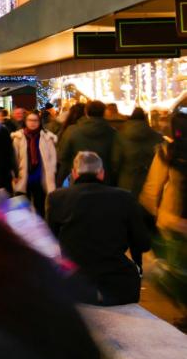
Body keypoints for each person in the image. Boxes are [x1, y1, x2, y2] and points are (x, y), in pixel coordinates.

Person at [47, 151, 151, 305]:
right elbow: (143, 243)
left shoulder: (57, 198)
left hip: (74, 284)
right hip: (116, 284)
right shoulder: (124, 198)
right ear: (101, 173)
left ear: (74, 174)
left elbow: (49, 241)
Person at [140, 109, 187, 313]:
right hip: (175, 220)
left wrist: (150, 212)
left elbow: (153, 188)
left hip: (174, 220)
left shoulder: (167, 151)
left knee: (176, 267)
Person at [56, 100, 117, 187]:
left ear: (86, 112)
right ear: (104, 113)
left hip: (76, 177)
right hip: (103, 179)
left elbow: (62, 155)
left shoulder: (72, 130)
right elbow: (116, 159)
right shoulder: (112, 133)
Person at [11, 111, 57, 217]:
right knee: (22, 209)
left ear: (39, 122)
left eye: (35, 120)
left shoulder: (46, 137)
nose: (32, 123)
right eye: (30, 120)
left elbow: (52, 157)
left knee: (40, 207)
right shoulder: (18, 137)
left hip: (40, 177)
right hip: (23, 177)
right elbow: (14, 158)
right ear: (25, 121)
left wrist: (52, 172)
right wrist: (14, 174)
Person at [113, 107, 163, 198]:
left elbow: (116, 161)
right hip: (149, 183)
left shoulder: (120, 136)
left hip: (126, 182)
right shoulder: (157, 137)